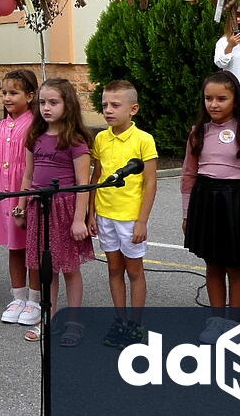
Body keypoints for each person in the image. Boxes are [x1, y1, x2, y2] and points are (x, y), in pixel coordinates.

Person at [181, 71, 240, 343]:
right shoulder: (198, 132)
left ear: (235, 100)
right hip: (205, 200)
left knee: (235, 265)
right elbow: (188, 176)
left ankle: (234, 324)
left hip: (235, 202)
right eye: (209, 98)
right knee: (213, 263)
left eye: (222, 98)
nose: (214, 104)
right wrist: (187, 212)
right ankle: (217, 319)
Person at [17, 79, 93, 345]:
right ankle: (48, 317)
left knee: (69, 267)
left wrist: (78, 220)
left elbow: (83, 184)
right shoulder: (35, 137)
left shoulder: (74, 140)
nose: (46, 108)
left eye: (53, 102)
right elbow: (28, 176)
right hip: (39, 207)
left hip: (64, 209)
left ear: (67, 104)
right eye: (42, 102)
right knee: (47, 269)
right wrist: (21, 207)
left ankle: (73, 321)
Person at [89, 80, 158, 347]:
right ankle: (120, 320)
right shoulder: (101, 138)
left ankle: (135, 324)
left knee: (134, 271)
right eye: (105, 105)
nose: (108, 110)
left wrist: (142, 221)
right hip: (105, 214)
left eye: (115, 105)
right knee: (114, 269)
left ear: (133, 109)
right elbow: (98, 175)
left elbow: (150, 182)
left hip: (130, 217)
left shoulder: (144, 140)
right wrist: (91, 213)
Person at [0, 69, 40, 327]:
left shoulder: (35, 125)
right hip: (4, 194)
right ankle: (18, 296)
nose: (7, 97)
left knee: (32, 248)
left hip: (25, 192)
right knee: (13, 247)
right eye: (4, 92)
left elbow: (36, 165)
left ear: (30, 95)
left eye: (13, 93)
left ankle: (36, 299)